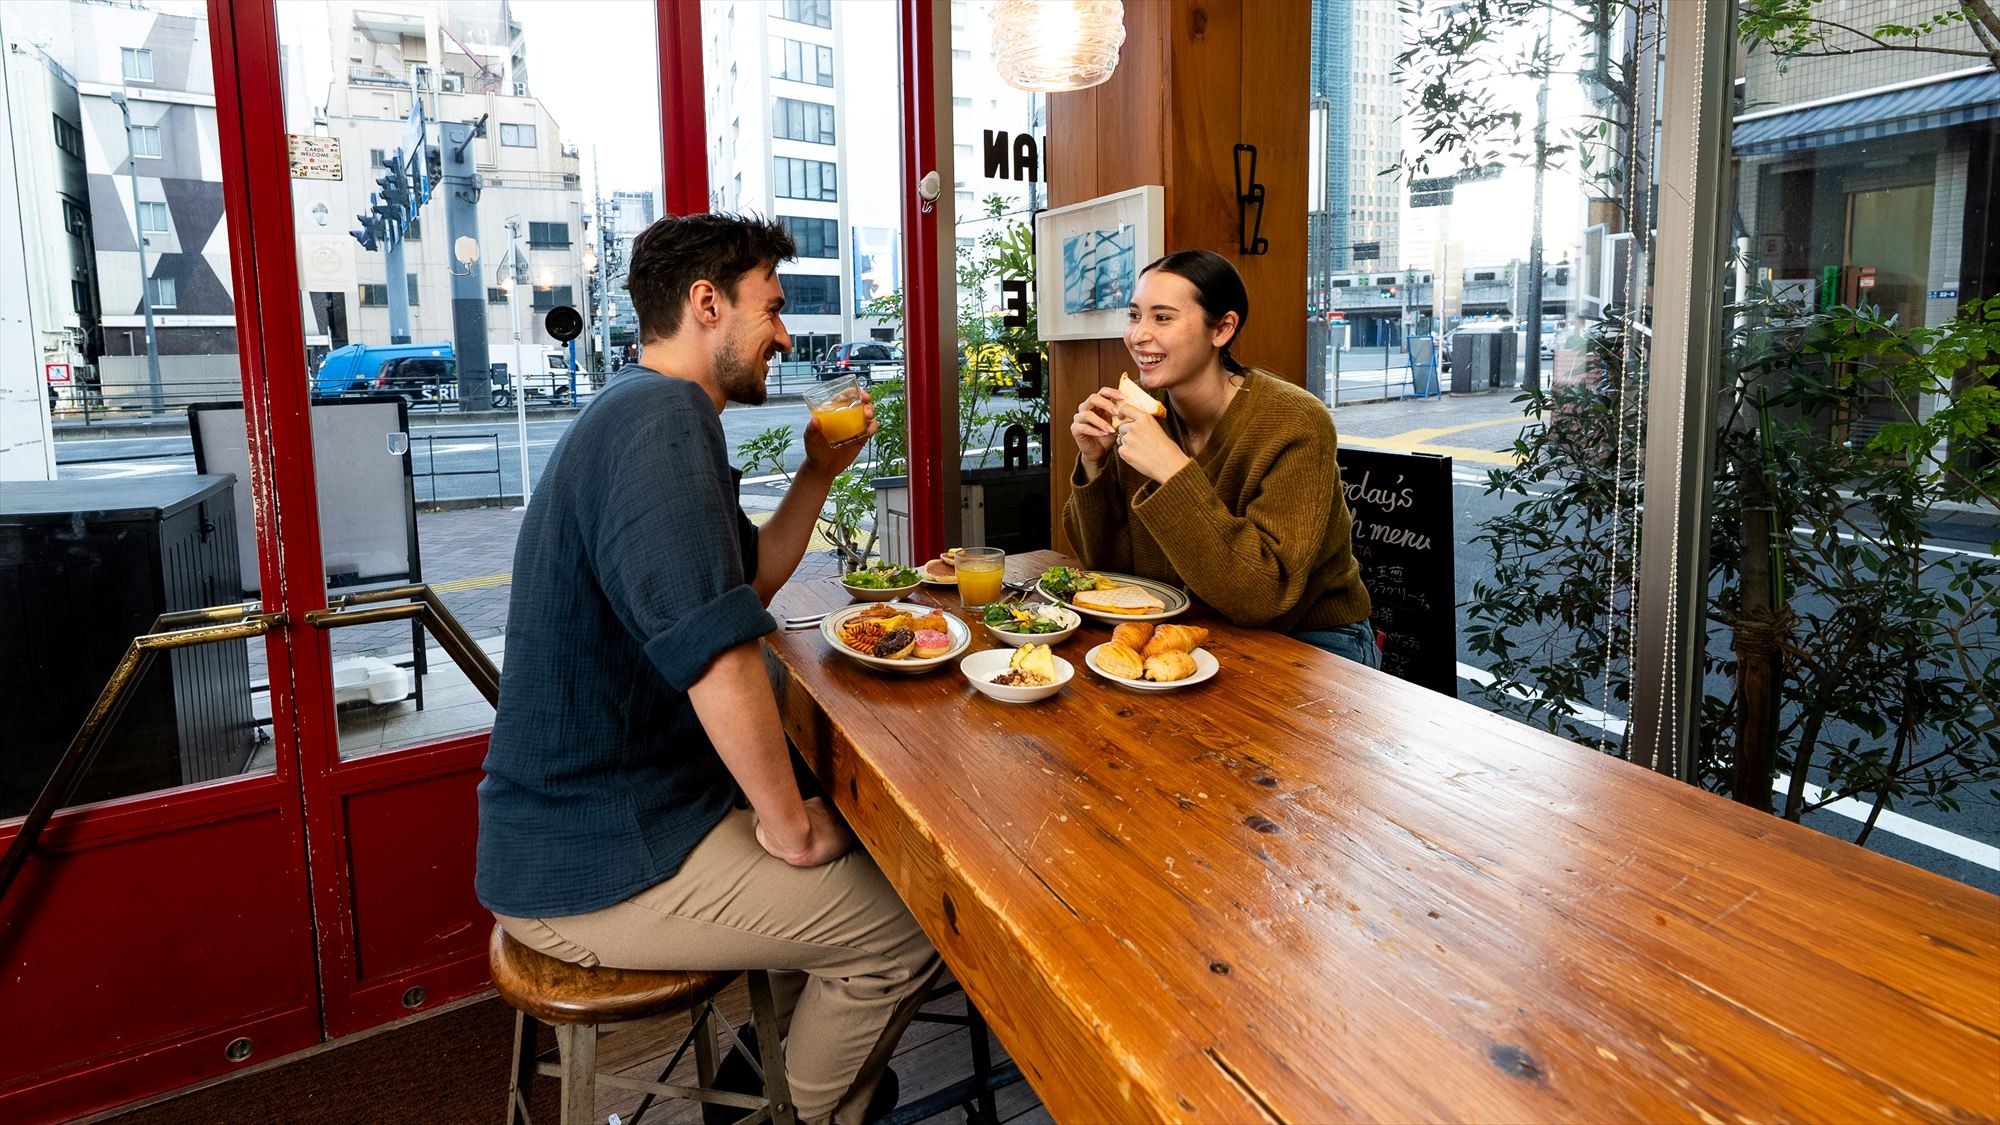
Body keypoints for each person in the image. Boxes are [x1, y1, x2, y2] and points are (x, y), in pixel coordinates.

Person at [476, 213, 940, 1125]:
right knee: (904, 925)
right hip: (597, 855)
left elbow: (749, 578)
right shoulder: (662, 421)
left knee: (834, 850)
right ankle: (783, 1110)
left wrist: (817, 474)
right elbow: (717, 654)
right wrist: (792, 828)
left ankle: (758, 1080)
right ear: (705, 304)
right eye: (771, 307)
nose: (785, 334)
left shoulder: (636, 409)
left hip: (596, 822)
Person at [1061, 249, 1378, 666]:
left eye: (1163, 317)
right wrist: (1094, 464)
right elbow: (1106, 567)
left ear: (1223, 328)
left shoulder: (1295, 421)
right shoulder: (1143, 413)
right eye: (1135, 315)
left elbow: (1263, 596)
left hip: (1310, 638)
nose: (1138, 335)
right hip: (1193, 627)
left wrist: (1172, 470)